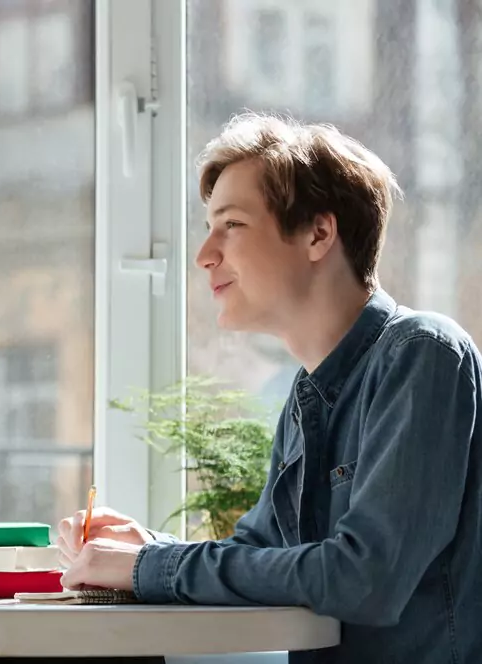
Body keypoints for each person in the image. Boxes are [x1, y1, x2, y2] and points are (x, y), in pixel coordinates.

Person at [56, 113, 482, 663]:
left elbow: (363, 577)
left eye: (230, 224)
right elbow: (259, 554)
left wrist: (146, 569)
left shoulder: (423, 354)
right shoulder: (306, 397)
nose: (204, 254)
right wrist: (144, 549)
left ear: (317, 234)